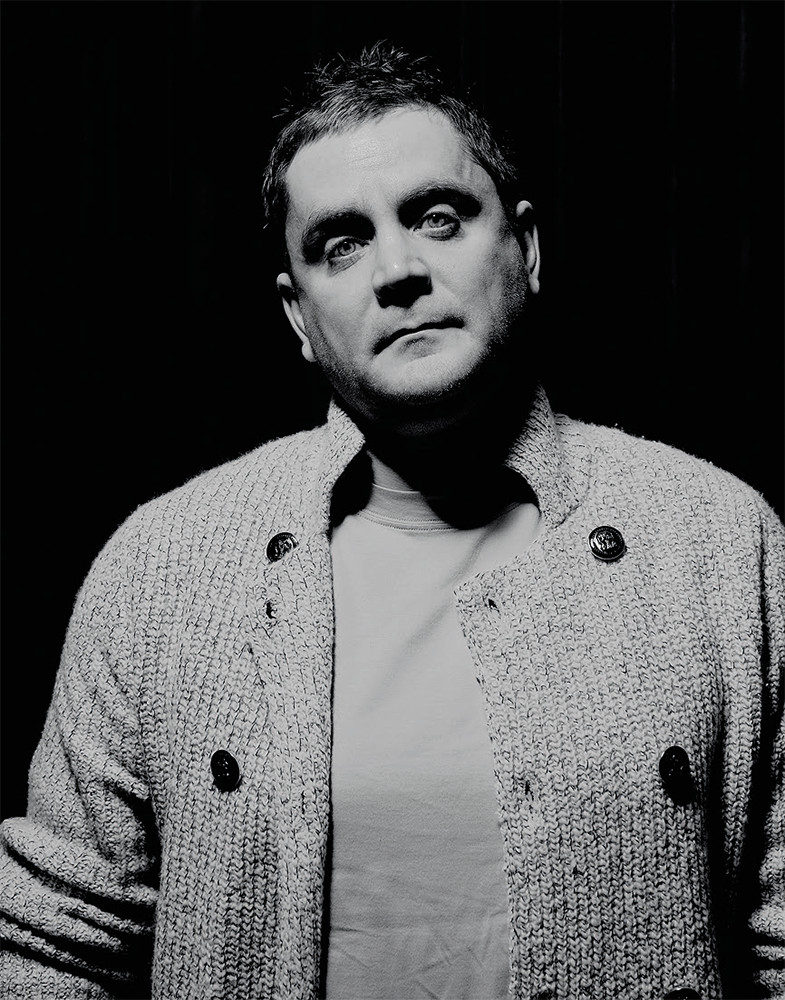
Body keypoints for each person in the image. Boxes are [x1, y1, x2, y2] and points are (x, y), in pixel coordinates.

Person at [1, 40, 783, 1000]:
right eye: (341, 244)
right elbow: (53, 946)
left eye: (438, 218)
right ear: (298, 314)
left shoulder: (714, 540)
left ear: (527, 249)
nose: (399, 270)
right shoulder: (162, 567)